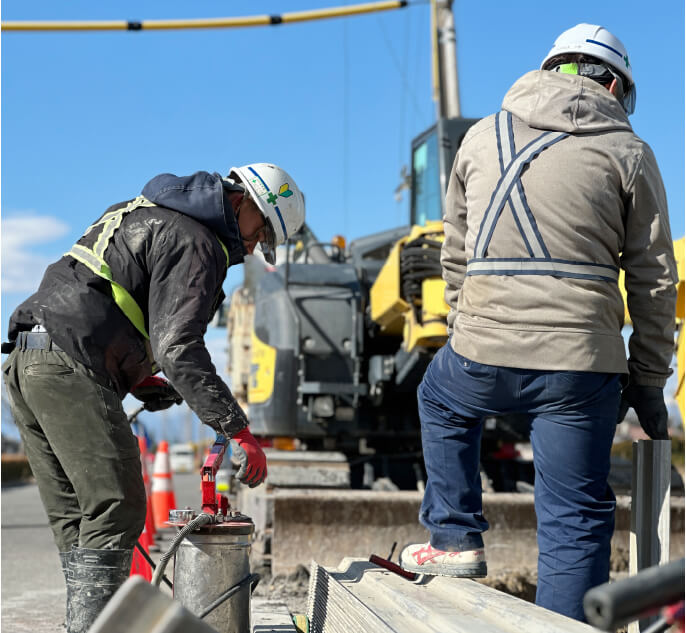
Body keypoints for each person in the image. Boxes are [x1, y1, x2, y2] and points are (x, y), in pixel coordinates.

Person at [399, 24, 678, 622]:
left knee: (440, 397)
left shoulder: (479, 137)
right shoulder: (629, 152)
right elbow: (654, 278)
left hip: (480, 354)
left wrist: (470, 328)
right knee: (575, 520)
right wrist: (651, 382)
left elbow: (455, 253)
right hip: (580, 369)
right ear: (611, 83)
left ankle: (453, 538)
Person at [1, 164, 305, 632]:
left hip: (28, 359)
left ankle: (82, 626)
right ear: (241, 201)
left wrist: (139, 376)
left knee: (79, 517)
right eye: (259, 230)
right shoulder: (197, 241)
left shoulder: (148, 211)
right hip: (67, 363)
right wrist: (236, 427)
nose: (252, 246)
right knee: (116, 505)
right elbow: (178, 345)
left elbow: (110, 297)